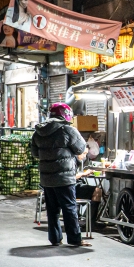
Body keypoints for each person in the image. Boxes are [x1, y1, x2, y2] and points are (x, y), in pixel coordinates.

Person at [30, 103, 90, 247]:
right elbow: (81, 148)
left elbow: (35, 154)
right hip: (64, 177)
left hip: (46, 177)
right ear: (65, 114)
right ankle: (75, 239)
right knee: (69, 208)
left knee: (52, 209)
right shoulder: (67, 129)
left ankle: (55, 239)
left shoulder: (38, 131)